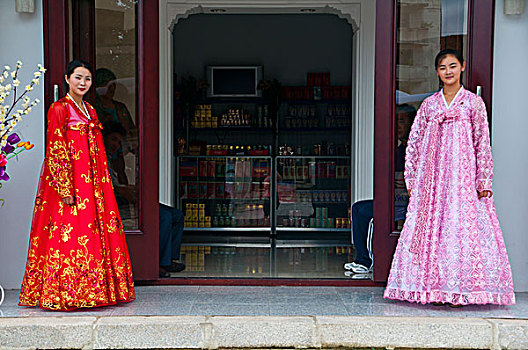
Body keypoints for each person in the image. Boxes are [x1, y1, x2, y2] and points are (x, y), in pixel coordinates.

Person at [383, 49, 515, 306]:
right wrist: (413, 180)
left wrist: (484, 180)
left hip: (462, 180)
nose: (448, 71)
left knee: (459, 232)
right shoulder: (429, 105)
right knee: (433, 231)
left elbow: (482, 143)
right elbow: (414, 142)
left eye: (452, 66)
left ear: (462, 67)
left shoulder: (473, 103)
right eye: (443, 67)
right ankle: (433, 290)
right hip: (432, 181)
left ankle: (459, 291)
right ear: (437, 72)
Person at [18, 60, 135, 311]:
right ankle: (68, 292)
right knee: (70, 233)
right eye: (78, 78)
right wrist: (64, 188)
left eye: (87, 79)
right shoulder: (59, 109)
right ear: (67, 78)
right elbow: (56, 149)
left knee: (92, 232)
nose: (83, 83)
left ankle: (96, 290)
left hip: (93, 183)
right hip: (71, 183)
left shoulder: (90, 110)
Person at [102, 122, 185, 278]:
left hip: (129, 199)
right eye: (113, 140)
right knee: (164, 217)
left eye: (119, 142)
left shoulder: (115, 159)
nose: (116, 145)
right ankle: (158, 263)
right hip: (117, 204)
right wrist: (127, 191)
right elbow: (110, 188)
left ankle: (169, 259)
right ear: (104, 138)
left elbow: (122, 182)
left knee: (176, 215)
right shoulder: (99, 158)